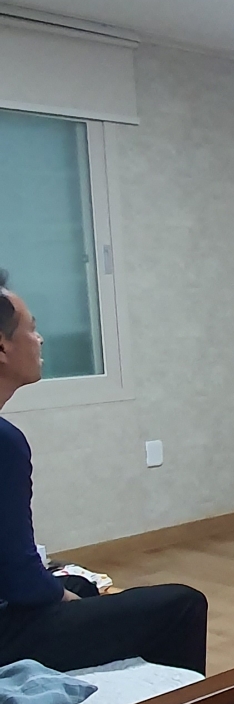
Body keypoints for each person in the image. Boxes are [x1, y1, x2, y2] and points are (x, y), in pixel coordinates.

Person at [0, 271, 208, 673]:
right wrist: (64, 599)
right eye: (32, 329)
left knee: (80, 584)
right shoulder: (4, 442)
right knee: (182, 604)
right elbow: (22, 580)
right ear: (2, 346)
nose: (40, 340)